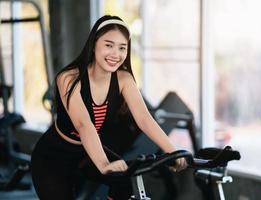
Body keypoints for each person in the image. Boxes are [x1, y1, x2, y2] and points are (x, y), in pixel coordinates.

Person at [30, 15, 187, 200]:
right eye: (108, 45)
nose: (116, 54)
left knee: (123, 181)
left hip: (85, 152)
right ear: (94, 44)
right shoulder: (69, 78)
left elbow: (144, 118)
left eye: (122, 48)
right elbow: (83, 124)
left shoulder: (124, 80)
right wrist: (104, 164)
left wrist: (173, 151)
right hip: (53, 158)